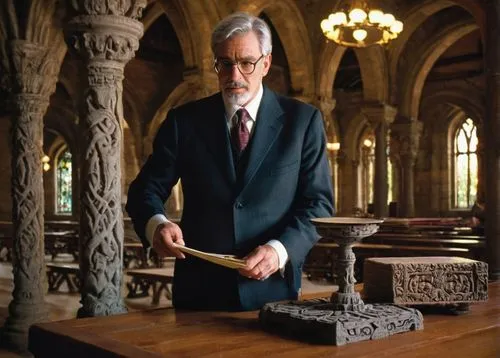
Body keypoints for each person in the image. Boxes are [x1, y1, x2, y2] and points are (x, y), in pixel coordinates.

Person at [126, 12, 334, 311]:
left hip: (272, 289)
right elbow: (145, 190)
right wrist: (156, 224)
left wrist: (279, 251)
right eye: (224, 64)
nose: (234, 76)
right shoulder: (183, 122)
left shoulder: (302, 122)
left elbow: (319, 205)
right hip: (198, 289)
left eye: (246, 63)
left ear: (265, 63)